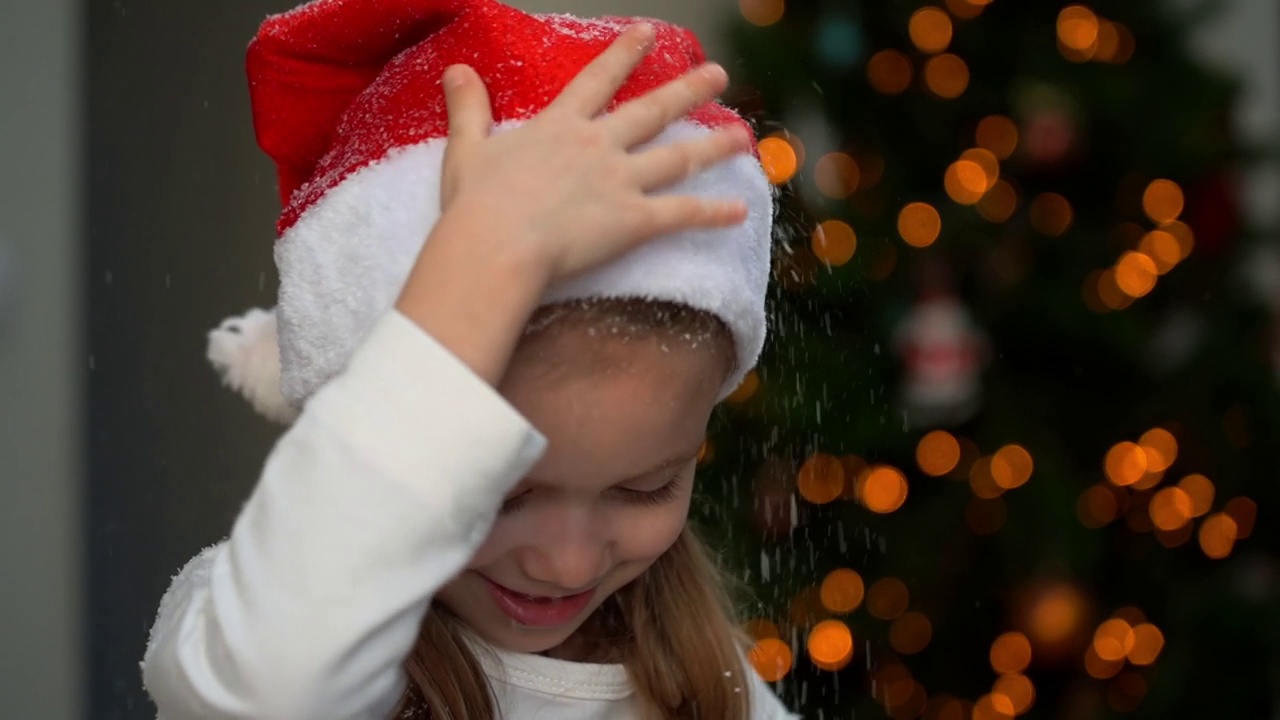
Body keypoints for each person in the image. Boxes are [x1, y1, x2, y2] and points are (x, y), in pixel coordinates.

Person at [143, 1, 792, 718]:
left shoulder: (708, 680)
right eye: (499, 493)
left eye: (646, 488)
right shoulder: (254, 623)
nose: (567, 564)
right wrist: (474, 276)